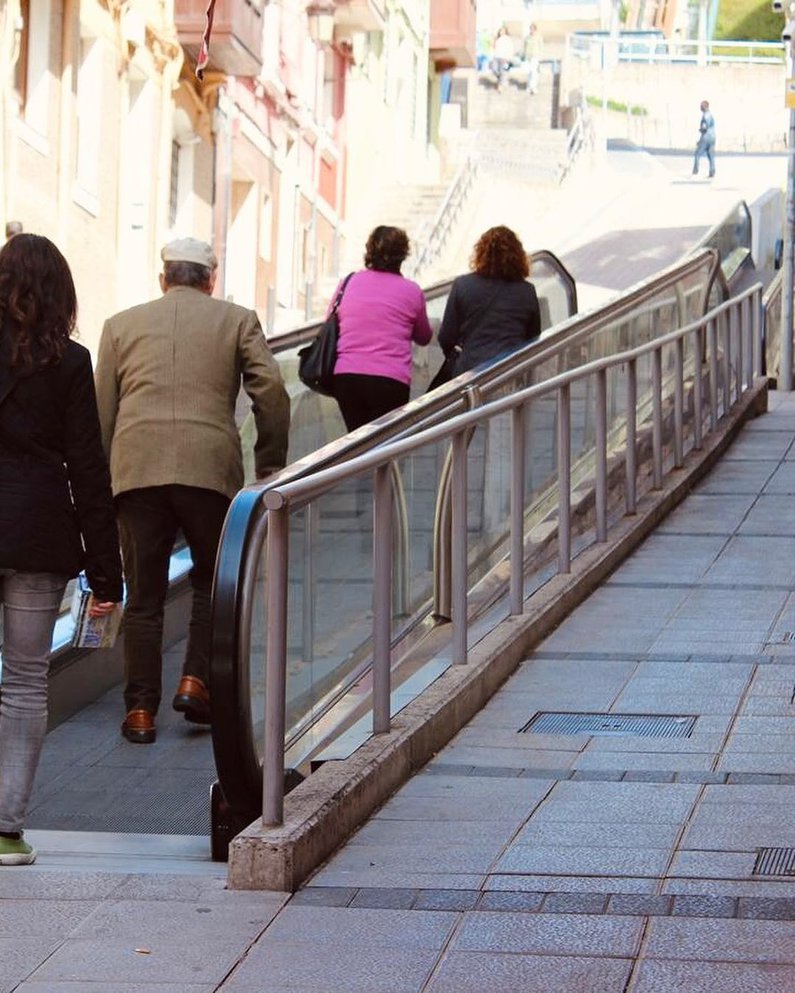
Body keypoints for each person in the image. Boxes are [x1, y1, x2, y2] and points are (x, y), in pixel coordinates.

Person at [95, 238, 290, 745]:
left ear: (164, 279)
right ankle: (195, 680)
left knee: (143, 597)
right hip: (209, 470)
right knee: (210, 581)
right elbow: (271, 392)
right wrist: (269, 464)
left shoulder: (120, 326)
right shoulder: (237, 319)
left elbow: (101, 415)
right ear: (210, 280)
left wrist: (100, 485)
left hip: (136, 470)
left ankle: (139, 712)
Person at [0, 234, 123, 865]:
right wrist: (108, 574)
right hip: (38, 531)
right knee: (23, 680)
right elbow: (89, 470)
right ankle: (6, 827)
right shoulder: (70, 364)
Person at [331, 225, 433, 432]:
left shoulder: (348, 283)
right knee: (384, 447)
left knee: (356, 443)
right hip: (390, 380)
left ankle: (357, 465)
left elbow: (330, 321)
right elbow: (424, 337)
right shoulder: (411, 291)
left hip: (347, 376)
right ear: (403, 254)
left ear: (370, 250)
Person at [438, 225, 541, 377]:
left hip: (470, 372)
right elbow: (533, 337)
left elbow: (446, 336)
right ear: (518, 256)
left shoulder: (463, 285)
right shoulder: (527, 291)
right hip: (510, 372)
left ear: (480, 253)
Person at [692, 99, 716, 178]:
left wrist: (700, 136)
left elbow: (704, 128)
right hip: (713, 137)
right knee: (710, 155)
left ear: (704, 107)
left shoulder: (705, 116)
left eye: (701, 106)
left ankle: (695, 171)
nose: (700, 108)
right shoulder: (711, 115)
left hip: (706, 137)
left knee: (697, 154)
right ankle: (712, 171)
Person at [491, 26, 515, 90]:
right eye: (500, 31)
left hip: (504, 57)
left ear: (505, 32)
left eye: (503, 31)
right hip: (496, 56)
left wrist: (509, 57)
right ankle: (501, 80)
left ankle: (500, 86)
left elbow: (511, 48)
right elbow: (494, 48)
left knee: (503, 71)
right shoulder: (497, 39)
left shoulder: (508, 39)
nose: (501, 32)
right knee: (494, 69)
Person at [523, 23, 543, 95]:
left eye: (533, 29)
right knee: (529, 72)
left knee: (534, 72)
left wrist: (540, 57)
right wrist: (524, 56)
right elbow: (524, 47)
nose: (532, 30)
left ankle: (533, 87)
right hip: (528, 57)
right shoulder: (527, 37)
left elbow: (541, 47)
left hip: (535, 56)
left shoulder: (538, 37)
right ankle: (529, 86)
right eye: (531, 29)